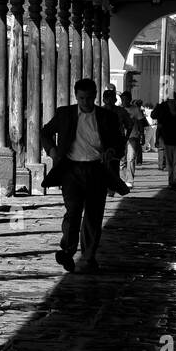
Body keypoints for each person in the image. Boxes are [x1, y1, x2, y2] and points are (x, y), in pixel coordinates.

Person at [40, 78, 128, 274]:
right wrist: (52, 151)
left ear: (96, 95)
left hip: (97, 170)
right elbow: (45, 133)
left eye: (89, 98)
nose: (86, 102)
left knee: (94, 216)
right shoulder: (65, 114)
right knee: (73, 212)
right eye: (82, 98)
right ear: (76, 96)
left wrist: (112, 151)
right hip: (71, 170)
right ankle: (68, 251)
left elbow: (120, 143)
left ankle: (88, 257)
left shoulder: (107, 117)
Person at [152, 94, 176, 190]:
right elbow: (154, 117)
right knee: (170, 163)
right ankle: (171, 181)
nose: (172, 103)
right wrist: (160, 106)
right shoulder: (164, 114)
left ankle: (175, 182)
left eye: (174, 101)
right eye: (170, 101)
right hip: (168, 142)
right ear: (168, 102)